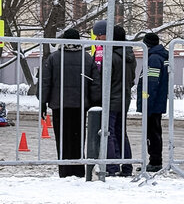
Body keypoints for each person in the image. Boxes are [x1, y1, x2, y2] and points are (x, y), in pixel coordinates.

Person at [40, 28, 101, 178]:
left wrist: (43, 102)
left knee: (62, 138)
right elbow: (95, 83)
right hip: (80, 105)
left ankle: (65, 170)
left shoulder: (54, 58)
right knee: (79, 138)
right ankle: (78, 169)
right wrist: (95, 102)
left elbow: (45, 82)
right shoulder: (87, 58)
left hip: (59, 105)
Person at [93, 22, 137, 177]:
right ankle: (126, 167)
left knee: (108, 132)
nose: (98, 39)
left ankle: (111, 167)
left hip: (110, 99)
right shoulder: (129, 55)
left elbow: (104, 79)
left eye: (101, 35)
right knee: (120, 132)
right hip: (124, 98)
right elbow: (131, 80)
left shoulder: (109, 56)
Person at [136, 32, 169, 172]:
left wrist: (146, 101)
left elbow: (151, 83)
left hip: (152, 102)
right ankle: (155, 160)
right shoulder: (161, 56)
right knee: (155, 132)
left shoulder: (154, 58)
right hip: (157, 101)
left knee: (152, 133)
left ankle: (155, 161)